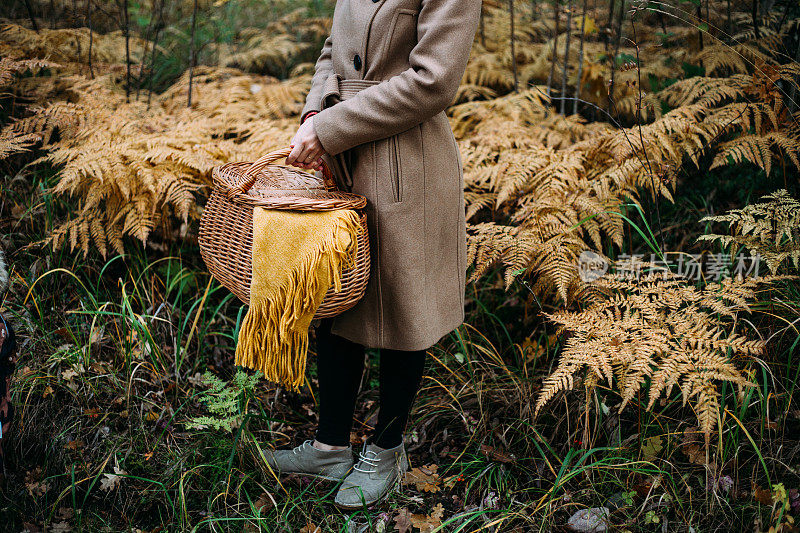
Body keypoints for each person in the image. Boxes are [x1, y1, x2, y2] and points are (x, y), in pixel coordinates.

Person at [262, 0, 481, 509]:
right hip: (343, 157)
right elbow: (332, 51)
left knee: (404, 305)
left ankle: (386, 451)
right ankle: (329, 448)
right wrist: (316, 112)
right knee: (337, 298)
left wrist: (332, 127)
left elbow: (434, 80)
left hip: (407, 160)